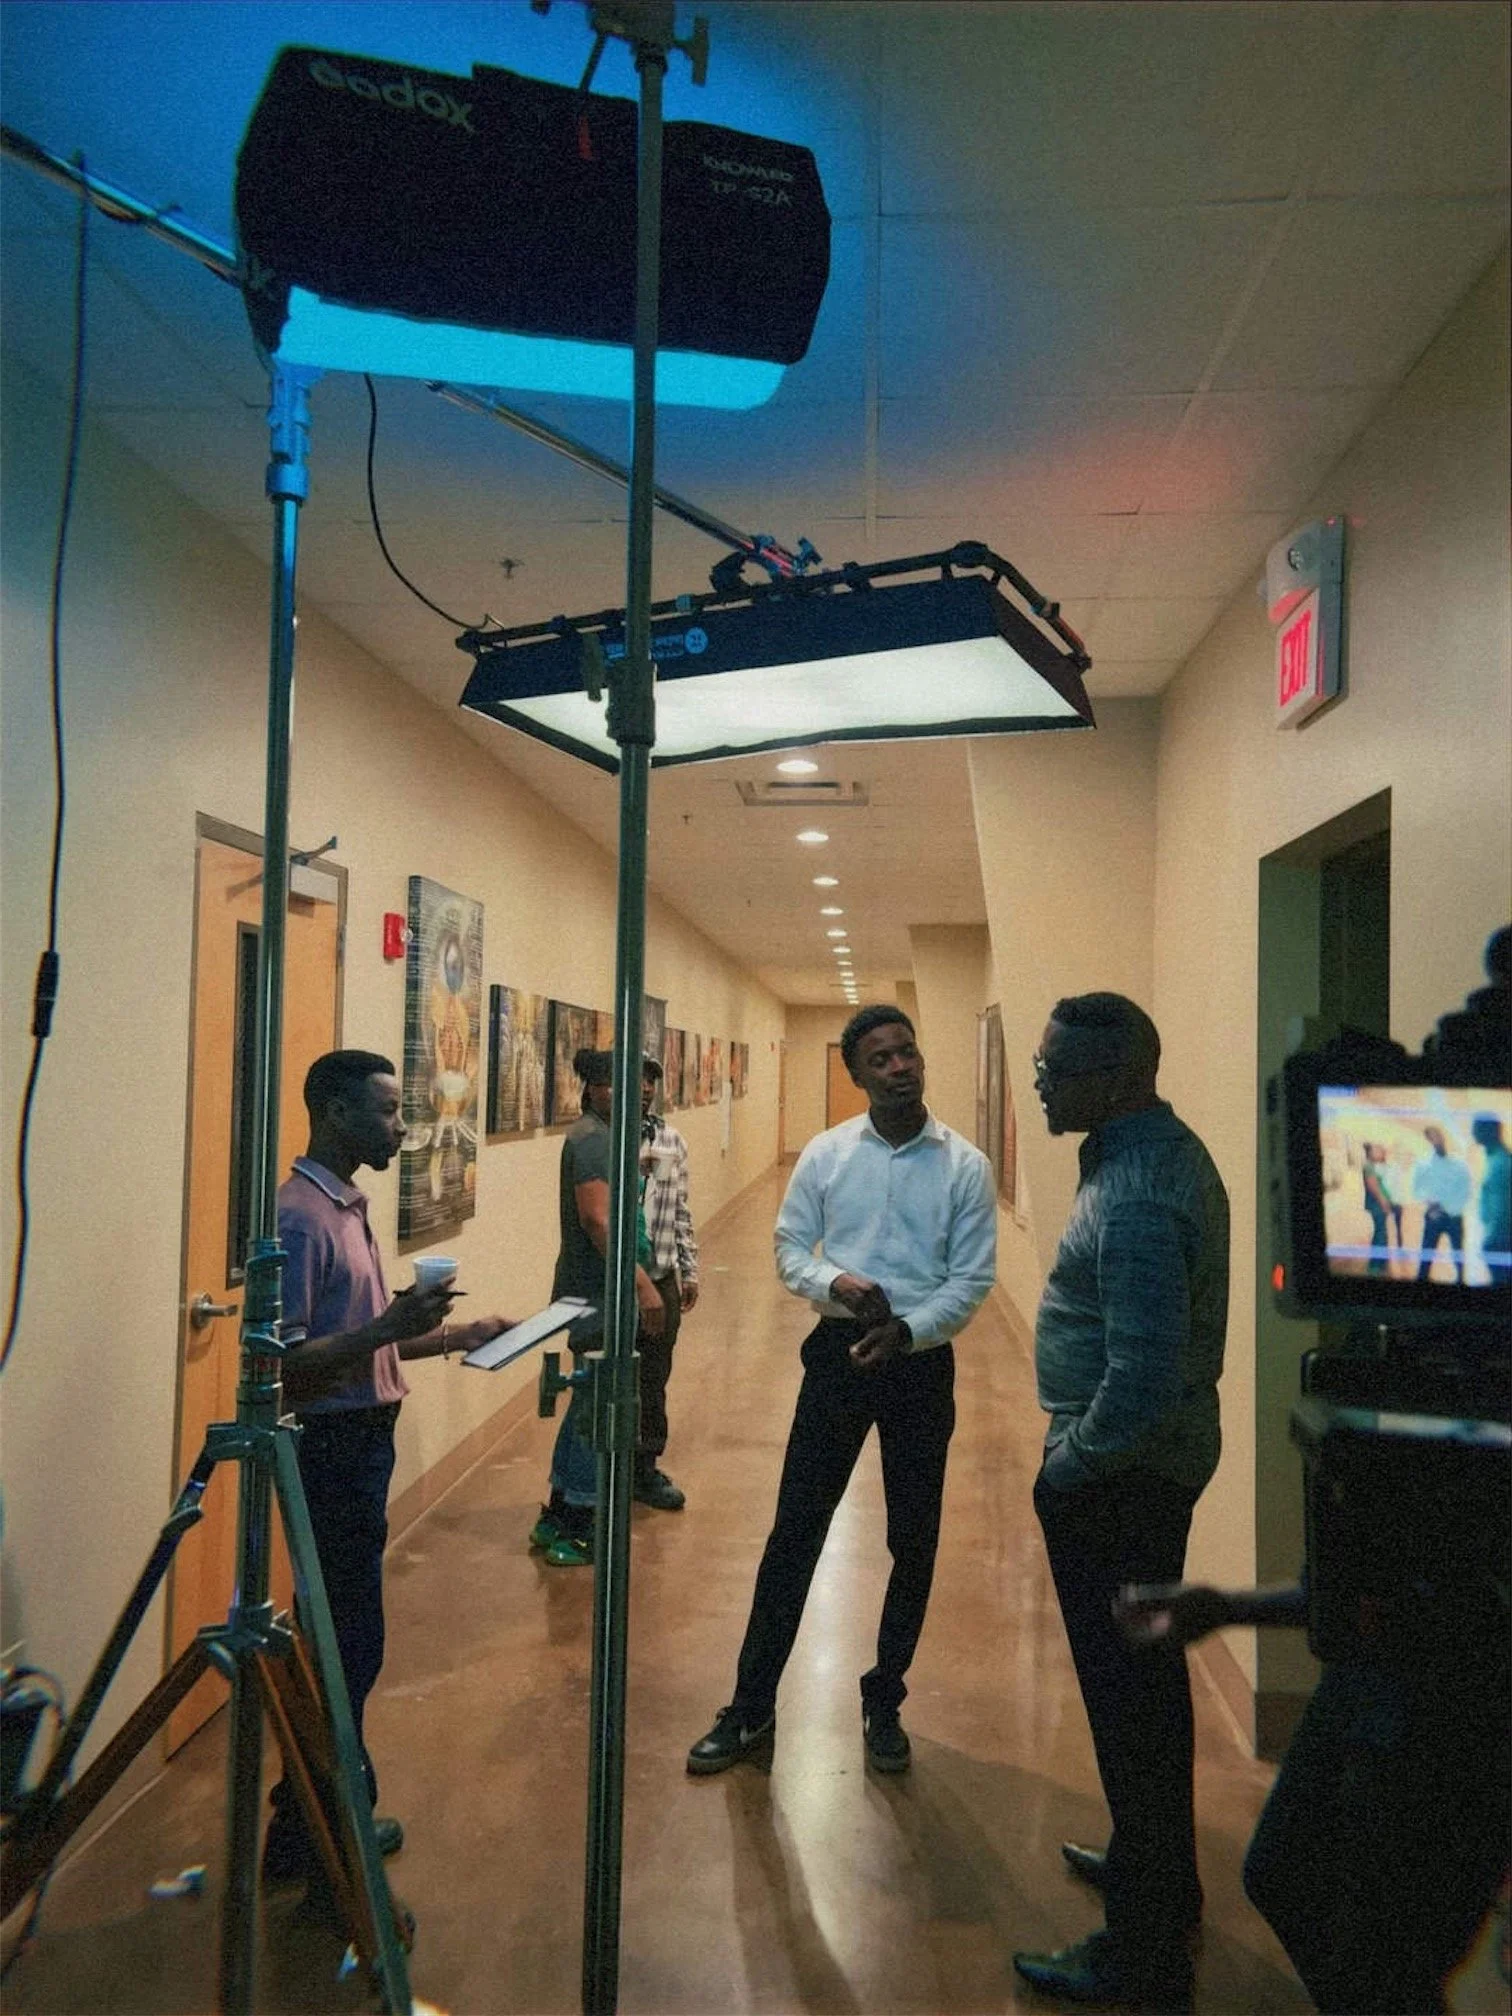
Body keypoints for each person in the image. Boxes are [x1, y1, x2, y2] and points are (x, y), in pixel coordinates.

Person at [687, 1005, 996, 1778]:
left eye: (908, 1053)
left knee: (912, 1541)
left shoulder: (964, 1165)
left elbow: (972, 1279)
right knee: (796, 1530)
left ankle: (884, 1696)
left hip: (920, 1364)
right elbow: (790, 1248)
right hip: (836, 1355)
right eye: (882, 1059)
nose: (900, 1067)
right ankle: (751, 1706)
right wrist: (835, 1278)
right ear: (857, 1075)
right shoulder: (826, 1156)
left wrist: (912, 1330)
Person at [1012, 993, 1229, 2014]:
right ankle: (1160, 1874)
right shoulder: (1133, 1156)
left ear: (1118, 1074)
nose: (1042, 1080)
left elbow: (1140, 1380)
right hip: (1140, 1473)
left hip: (1122, 1481)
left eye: (1057, 1066)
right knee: (1143, 1699)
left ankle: (1140, 1954)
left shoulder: (1138, 1190)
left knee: (1130, 1709)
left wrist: (1068, 1465)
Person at [262, 1049, 514, 1888]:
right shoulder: (300, 1217)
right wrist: (387, 1327)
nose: (400, 1127)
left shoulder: (346, 1205)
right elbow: (283, 1368)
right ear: (333, 1113)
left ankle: (311, 1825)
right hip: (330, 1452)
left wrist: (449, 1336)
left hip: (364, 1442)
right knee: (342, 1645)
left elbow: (367, 1336)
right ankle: (320, 1828)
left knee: (351, 1642)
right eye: (385, 1112)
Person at [1116, 1579, 1510, 2015]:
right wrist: (1229, 1609)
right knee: (1284, 1876)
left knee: (1386, 1949)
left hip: (1451, 1716)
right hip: (1367, 1682)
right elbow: (1357, 1592)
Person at [529, 1049, 667, 1566]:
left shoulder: (603, 1134)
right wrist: (643, 1287)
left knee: (586, 1403)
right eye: (611, 1084)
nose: (627, 1092)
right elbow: (598, 1222)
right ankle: (582, 1524)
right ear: (591, 1089)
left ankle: (559, 1512)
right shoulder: (594, 1139)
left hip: (596, 1291)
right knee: (598, 1406)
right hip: (599, 1295)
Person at [635, 1054, 699, 1511]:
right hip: (617, 1284)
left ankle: (645, 1468)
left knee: (655, 1378)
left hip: (662, 1275)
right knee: (612, 1380)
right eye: (636, 1081)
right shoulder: (604, 1142)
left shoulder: (672, 1139)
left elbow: (679, 1207)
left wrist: (688, 1267)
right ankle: (596, 1477)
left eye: (651, 1082)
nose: (645, 1090)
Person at [1412, 1123, 1472, 1281]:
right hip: (1433, 1216)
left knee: (1458, 1254)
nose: (1436, 1140)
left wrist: (1450, 1208)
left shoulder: (1459, 1164)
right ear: (1428, 1140)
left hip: (1454, 1216)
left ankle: (1461, 1282)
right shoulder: (1423, 1164)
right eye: (1431, 1137)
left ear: (1443, 1137)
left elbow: (1466, 1191)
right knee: (1426, 1254)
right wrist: (1429, 1202)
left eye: (1437, 1135)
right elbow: (1417, 1189)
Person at [1471, 1111, 1511, 1284]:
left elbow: (1502, 1209)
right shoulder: (1497, 1159)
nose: (1473, 1133)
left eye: (1476, 1129)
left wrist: (1490, 1242)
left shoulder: (1499, 1164)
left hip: (1500, 1242)